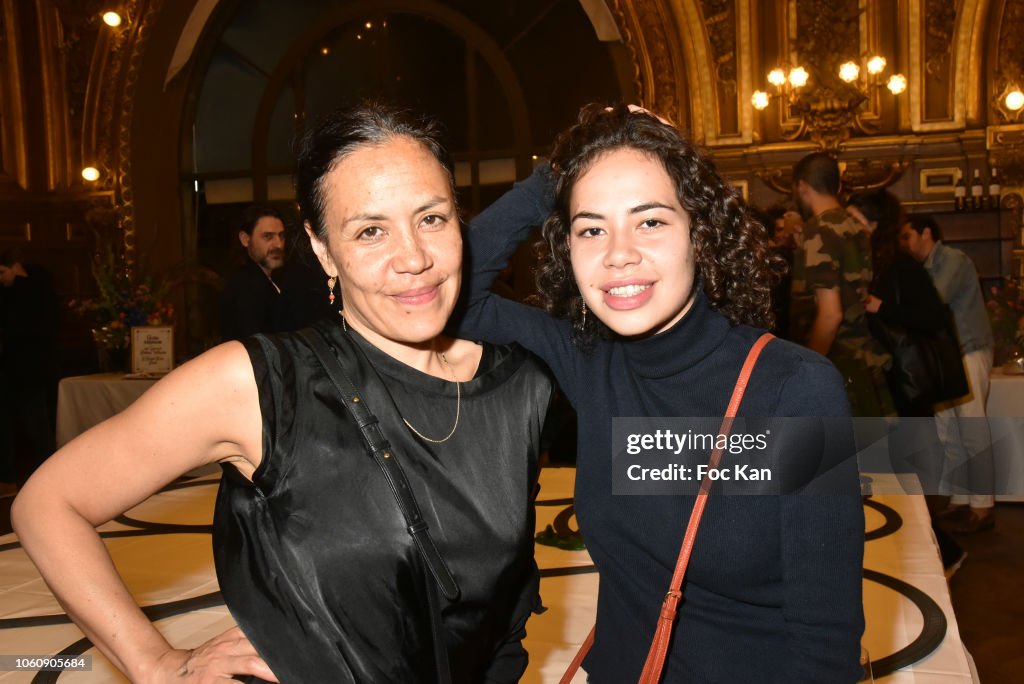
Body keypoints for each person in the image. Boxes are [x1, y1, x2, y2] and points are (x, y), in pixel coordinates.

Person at [13, 104, 553, 682]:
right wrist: (155, 663)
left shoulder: (517, 387)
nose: (414, 258)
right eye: (371, 230)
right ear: (323, 251)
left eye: (432, 219)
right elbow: (48, 504)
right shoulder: (258, 383)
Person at [457, 104, 865, 682]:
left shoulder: (794, 389)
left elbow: (825, 636)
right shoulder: (590, 359)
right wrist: (561, 169)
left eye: (650, 221)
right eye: (591, 228)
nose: (618, 253)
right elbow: (454, 292)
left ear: (700, 234)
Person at [848, 191, 968, 574]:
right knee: (893, 482)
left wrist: (881, 306)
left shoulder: (900, 266)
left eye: (853, 217)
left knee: (901, 481)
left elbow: (932, 317)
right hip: (890, 384)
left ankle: (944, 554)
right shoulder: (871, 263)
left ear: (872, 223)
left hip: (907, 388)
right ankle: (932, 556)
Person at [900, 214, 996, 533]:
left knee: (971, 428)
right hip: (945, 357)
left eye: (907, 236)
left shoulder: (953, 259)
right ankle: (959, 499)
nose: (905, 243)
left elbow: (933, 302)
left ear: (926, 233)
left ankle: (983, 507)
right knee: (950, 433)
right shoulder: (924, 268)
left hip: (968, 349)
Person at [790, 152, 894, 417]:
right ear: (836, 186)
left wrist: (807, 373)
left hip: (837, 365)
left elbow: (830, 314)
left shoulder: (818, 230)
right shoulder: (855, 227)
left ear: (802, 185)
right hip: (863, 362)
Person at [0, 246, 58, 495]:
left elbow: (41, 328)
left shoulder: (37, 288)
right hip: (8, 368)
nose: (0, 278)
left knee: (37, 423)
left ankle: (52, 477)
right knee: (4, 425)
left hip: (30, 368)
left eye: (2, 272)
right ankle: (6, 480)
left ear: (14, 267)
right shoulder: (7, 290)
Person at [220, 205, 286, 341]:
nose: (278, 244)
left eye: (281, 236)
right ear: (245, 239)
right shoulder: (245, 287)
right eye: (268, 236)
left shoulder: (266, 279)